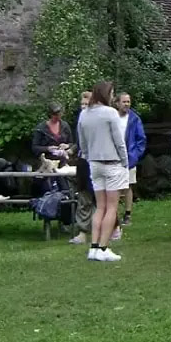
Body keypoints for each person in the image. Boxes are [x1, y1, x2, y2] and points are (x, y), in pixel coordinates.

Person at [77, 81, 128, 262]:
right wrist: (125, 162)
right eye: (112, 92)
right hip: (112, 162)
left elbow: (82, 143)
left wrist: (90, 156)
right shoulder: (110, 113)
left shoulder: (84, 114)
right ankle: (104, 248)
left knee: (100, 206)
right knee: (112, 207)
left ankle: (94, 247)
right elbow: (119, 141)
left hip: (94, 163)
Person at [115, 93, 147, 226]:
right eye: (124, 102)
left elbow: (141, 140)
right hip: (114, 157)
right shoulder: (112, 117)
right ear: (117, 103)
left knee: (128, 185)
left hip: (130, 157)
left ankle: (127, 214)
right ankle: (113, 214)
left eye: (128, 101)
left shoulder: (134, 119)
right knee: (114, 187)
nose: (127, 104)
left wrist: (135, 156)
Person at [69, 91, 95, 245]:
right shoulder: (80, 121)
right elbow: (80, 143)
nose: (84, 107)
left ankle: (112, 228)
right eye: (82, 104)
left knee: (102, 200)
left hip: (99, 163)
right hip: (84, 164)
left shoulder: (99, 120)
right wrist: (71, 150)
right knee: (84, 198)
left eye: (87, 104)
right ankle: (83, 232)